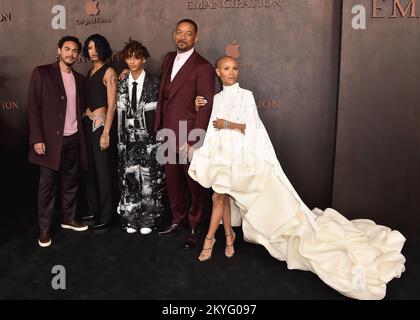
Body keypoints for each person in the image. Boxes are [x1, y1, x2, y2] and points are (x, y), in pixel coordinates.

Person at [188, 56, 406, 300]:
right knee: (220, 195)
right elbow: (211, 126)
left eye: (235, 68)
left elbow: (248, 127)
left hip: (244, 156)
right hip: (222, 154)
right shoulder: (217, 98)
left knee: (221, 195)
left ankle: (214, 239)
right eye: (226, 69)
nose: (232, 72)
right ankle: (227, 238)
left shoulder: (246, 95)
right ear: (218, 72)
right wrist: (201, 114)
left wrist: (226, 123)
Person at [154, 19, 215, 249]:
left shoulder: (204, 66)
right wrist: (158, 125)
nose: (182, 37)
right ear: (174, 34)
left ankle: (195, 225)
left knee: (193, 183)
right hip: (167, 129)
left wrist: (194, 141)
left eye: (188, 34)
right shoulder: (169, 58)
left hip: (188, 132)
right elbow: (164, 94)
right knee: (172, 180)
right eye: (179, 32)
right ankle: (177, 219)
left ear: (195, 38)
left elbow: (206, 105)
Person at [28, 35, 89, 247]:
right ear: (59, 51)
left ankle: (68, 218)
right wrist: (37, 137)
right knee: (47, 186)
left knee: (71, 182)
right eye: (67, 49)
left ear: (78, 55)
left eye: (74, 51)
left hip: (73, 139)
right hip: (50, 142)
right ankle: (44, 228)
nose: (70, 53)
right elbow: (34, 108)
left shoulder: (80, 80)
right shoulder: (42, 73)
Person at [116, 38, 167, 234]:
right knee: (129, 179)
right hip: (127, 141)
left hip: (150, 141)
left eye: (136, 58)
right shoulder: (121, 83)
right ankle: (130, 219)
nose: (132, 62)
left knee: (150, 180)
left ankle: (149, 219)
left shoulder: (155, 82)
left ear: (144, 59)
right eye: (129, 58)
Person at [81, 34, 118, 231]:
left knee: (103, 172)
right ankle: (94, 210)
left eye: (96, 47)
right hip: (88, 126)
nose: (93, 51)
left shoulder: (109, 70)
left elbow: (111, 105)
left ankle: (107, 215)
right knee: (90, 171)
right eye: (89, 48)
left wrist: (106, 132)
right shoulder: (89, 71)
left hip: (101, 127)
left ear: (103, 49)